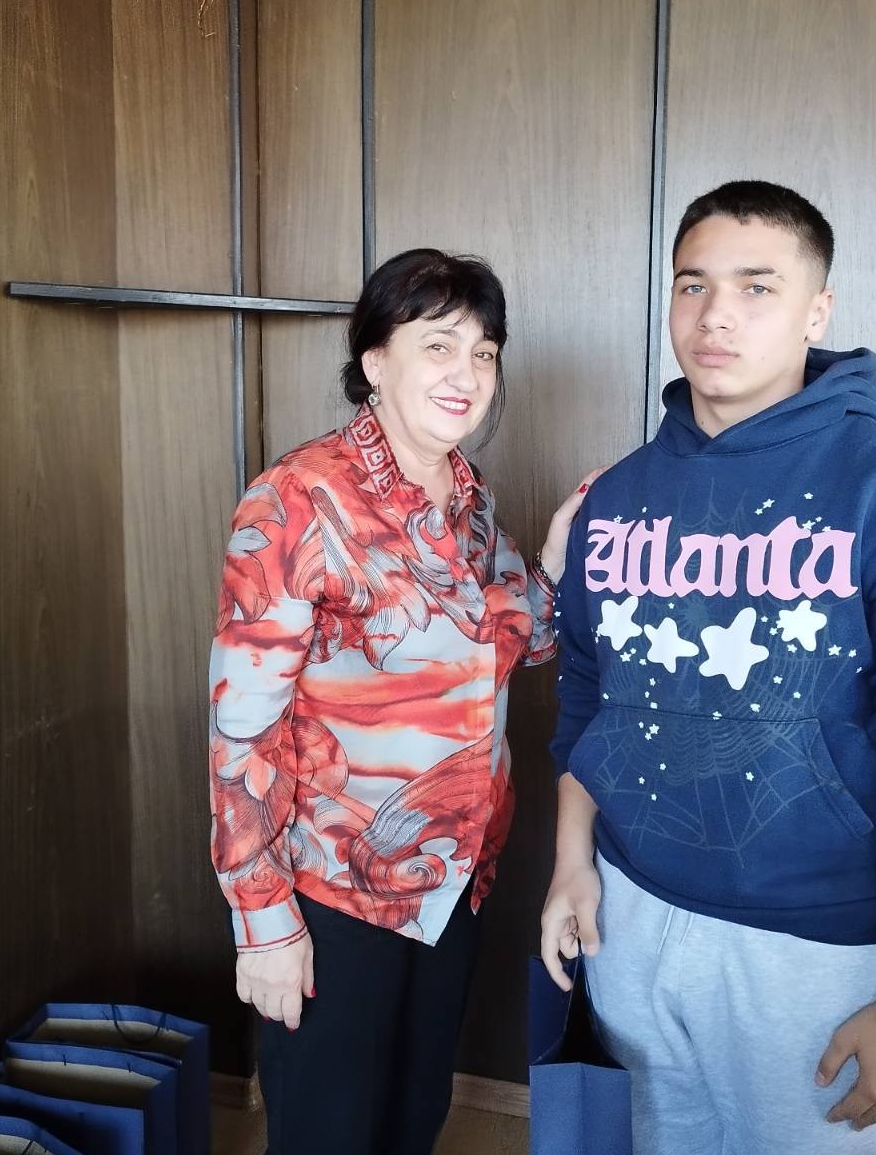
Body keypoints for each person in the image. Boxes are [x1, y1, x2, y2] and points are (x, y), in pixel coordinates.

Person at [540, 181, 876, 1154]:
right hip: (630, 916)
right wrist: (570, 862)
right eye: (692, 285)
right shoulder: (613, 500)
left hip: (816, 950)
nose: (715, 315)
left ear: (816, 311)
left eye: (757, 287)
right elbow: (588, 693)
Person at [209, 248, 596, 1155]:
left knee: (413, 1120)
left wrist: (556, 558)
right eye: (439, 346)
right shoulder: (298, 499)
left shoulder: (468, 499)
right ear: (376, 360)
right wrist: (262, 923)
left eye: (485, 353)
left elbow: (518, 640)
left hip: (453, 881)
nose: (468, 374)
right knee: (329, 1135)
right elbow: (241, 730)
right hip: (334, 892)